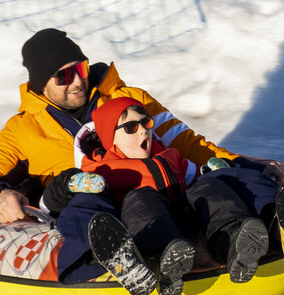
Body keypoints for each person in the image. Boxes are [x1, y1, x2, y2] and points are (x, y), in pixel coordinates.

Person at [0, 28, 284, 291]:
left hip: (160, 185)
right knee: (89, 206)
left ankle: (280, 227)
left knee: (221, 180)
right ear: (40, 85)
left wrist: (239, 166)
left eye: (80, 68)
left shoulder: (128, 98)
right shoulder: (22, 130)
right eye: (63, 76)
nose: (76, 81)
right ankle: (115, 258)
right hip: (101, 199)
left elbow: (186, 142)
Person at [69, 98, 271, 295]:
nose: (142, 130)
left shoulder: (168, 155)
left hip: (183, 218)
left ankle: (234, 241)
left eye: (146, 122)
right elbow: (92, 207)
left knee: (208, 186)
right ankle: (162, 262)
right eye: (130, 127)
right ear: (109, 138)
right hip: (148, 228)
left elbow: (196, 177)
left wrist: (214, 171)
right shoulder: (103, 171)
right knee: (141, 198)